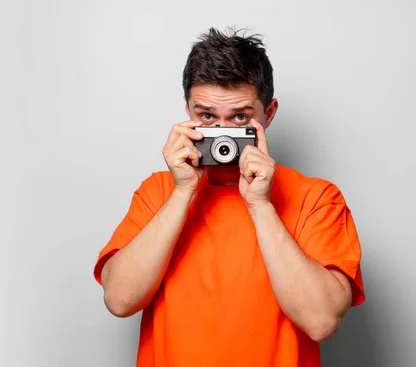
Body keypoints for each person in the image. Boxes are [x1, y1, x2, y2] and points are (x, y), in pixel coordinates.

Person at [92, 27, 365, 366]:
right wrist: (183, 191)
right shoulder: (158, 192)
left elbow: (320, 321)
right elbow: (119, 300)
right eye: (207, 117)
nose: (223, 135)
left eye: (240, 117)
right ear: (188, 112)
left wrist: (260, 205)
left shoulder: (317, 198)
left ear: (269, 113)